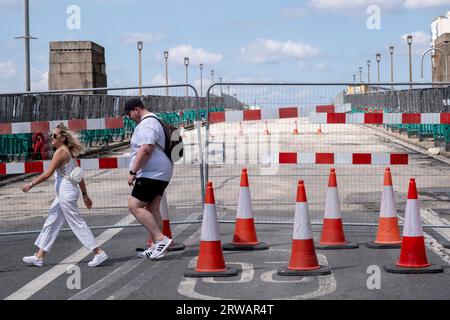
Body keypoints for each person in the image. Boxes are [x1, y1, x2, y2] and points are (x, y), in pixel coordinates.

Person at [21, 123, 108, 267]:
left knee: (77, 223)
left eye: (54, 136)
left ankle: (99, 252)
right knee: (52, 221)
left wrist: (31, 184)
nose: (51, 138)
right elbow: (78, 175)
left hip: (66, 193)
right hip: (66, 192)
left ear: (63, 137)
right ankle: (40, 256)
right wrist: (85, 194)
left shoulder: (61, 152)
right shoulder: (69, 151)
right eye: (50, 136)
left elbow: (48, 174)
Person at [123, 98, 173, 259]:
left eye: (129, 113)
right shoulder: (155, 119)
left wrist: (133, 171)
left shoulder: (147, 123)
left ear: (136, 109)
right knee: (152, 208)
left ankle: (161, 239)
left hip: (153, 173)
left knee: (134, 205)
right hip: (161, 171)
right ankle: (158, 248)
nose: (129, 117)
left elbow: (146, 148)